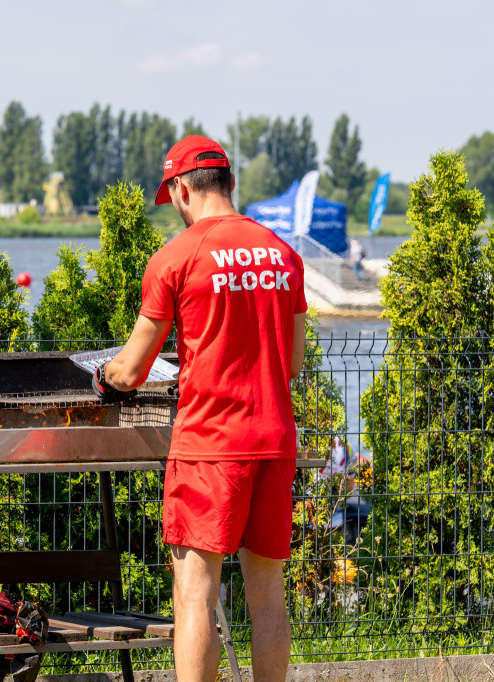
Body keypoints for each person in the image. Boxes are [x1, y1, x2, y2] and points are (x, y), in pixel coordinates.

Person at [91, 135, 306, 682]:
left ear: (181, 188)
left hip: (210, 445)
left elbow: (133, 369)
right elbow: (294, 362)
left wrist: (105, 377)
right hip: (275, 439)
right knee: (268, 597)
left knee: (195, 595)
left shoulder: (177, 257)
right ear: (230, 183)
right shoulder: (284, 254)